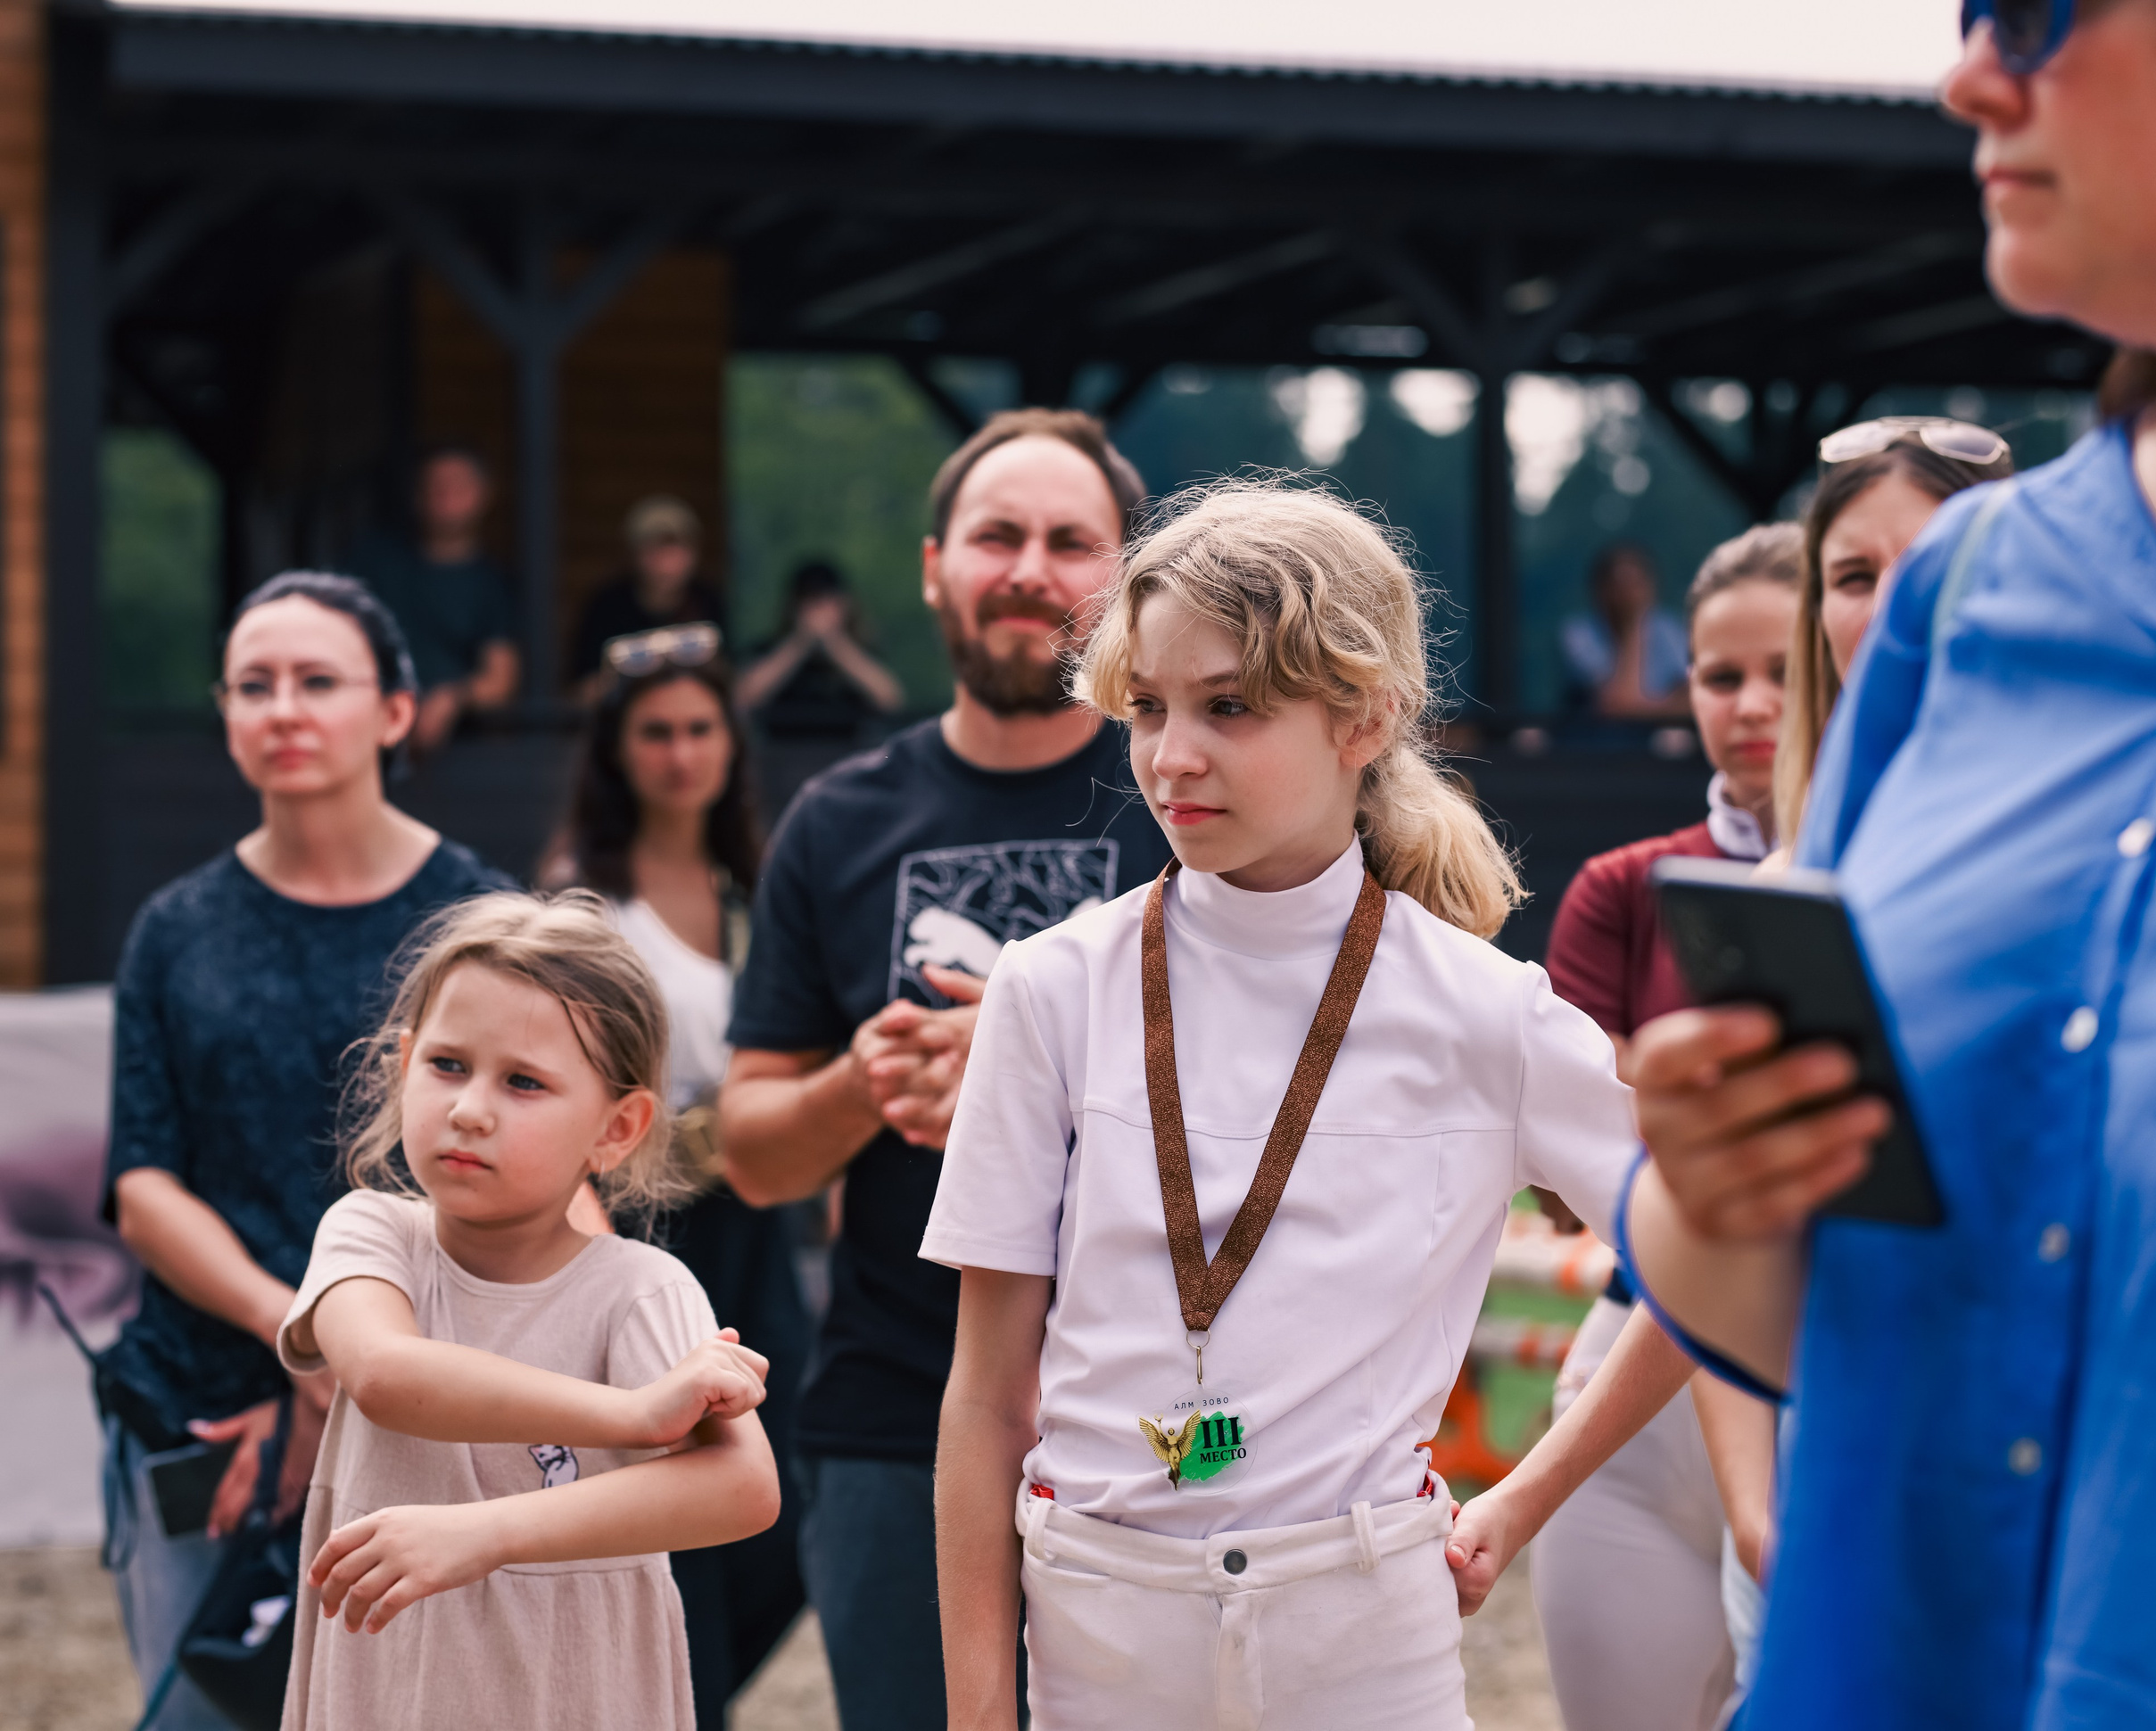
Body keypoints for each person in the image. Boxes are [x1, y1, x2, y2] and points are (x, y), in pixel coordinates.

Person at [1622, 4, 2156, 1726]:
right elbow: (1825, 1322)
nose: (1969, 77)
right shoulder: (1962, 594)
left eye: (2043, 15)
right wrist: (1713, 1182)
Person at [927, 479, 1641, 1729]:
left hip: (1363, 1643)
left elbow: (1713, 1252)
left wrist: (1524, 1496)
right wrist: (981, 1715)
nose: (1171, 756)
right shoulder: (1052, 987)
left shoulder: (1485, 1009)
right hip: (1097, 1634)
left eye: (1229, 706)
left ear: (1365, 717)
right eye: (1147, 707)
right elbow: (987, 1398)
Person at [712, 408, 1169, 1731]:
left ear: (1126, 576)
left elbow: (1293, 1091)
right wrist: (866, 1081)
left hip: (1160, 1406)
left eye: (1069, 540)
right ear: (933, 568)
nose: (1028, 568)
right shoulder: (836, 820)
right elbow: (751, 1153)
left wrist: (1030, 1065)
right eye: (996, 535)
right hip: (893, 1415)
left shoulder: (1185, 788)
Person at [102, 573, 509, 1729]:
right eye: (253, 685)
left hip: (425, 1403)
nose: (283, 708)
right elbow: (143, 1182)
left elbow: (533, 1176)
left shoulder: (482, 922)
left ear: (395, 710)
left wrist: (356, 1384)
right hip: (201, 1407)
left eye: (318, 680)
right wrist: (301, 1341)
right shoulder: (174, 929)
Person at [276, 891, 781, 1731]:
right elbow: (385, 1375)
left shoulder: (642, 1289)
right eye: (446, 1064)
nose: (470, 1108)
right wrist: (632, 1413)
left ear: (617, 1127)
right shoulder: (371, 1232)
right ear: (401, 1066)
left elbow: (745, 1486)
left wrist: (487, 1534)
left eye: (523, 1081)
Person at [1530, 523, 1801, 1731]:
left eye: (1785, 670)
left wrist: (1660, 1082)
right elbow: (1568, 1174)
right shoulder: (1624, 885)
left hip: (1823, 1376)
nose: (1752, 705)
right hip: (1634, 1374)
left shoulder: (1918, 880)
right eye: (1720, 675)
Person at [541, 638, 811, 1731]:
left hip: (756, 1213)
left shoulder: (759, 885)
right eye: (655, 732)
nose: (680, 753)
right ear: (616, 751)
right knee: (670, 1482)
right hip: (636, 1224)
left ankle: (692, 1694)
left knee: (788, 1488)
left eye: (701, 729)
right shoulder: (579, 901)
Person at [1771, 420, 2014, 845]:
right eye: (1855, 578)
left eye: (1930, 571)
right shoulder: (1786, 873)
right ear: (1817, 613)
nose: (1885, 607)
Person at [351, 447, 520, 753]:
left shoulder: (494, 584)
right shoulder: (375, 564)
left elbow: (500, 679)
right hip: (370, 738)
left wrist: (451, 698)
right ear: (417, 495)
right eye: (436, 486)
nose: (446, 495)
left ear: (484, 494)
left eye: (459, 486)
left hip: (459, 750)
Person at [570, 497, 729, 695]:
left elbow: (729, 681)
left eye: (674, 551)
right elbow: (582, 691)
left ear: (693, 554)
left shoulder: (708, 600)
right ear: (634, 554)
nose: (665, 564)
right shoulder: (606, 606)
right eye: (654, 551)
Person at [735, 559, 905, 741]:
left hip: (848, 751)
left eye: (826, 601)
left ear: (844, 604)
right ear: (794, 607)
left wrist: (836, 644)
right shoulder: (771, 650)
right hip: (784, 751)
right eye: (811, 602)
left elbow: (892, 700)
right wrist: (800, 642)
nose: (818, 612)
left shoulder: (862, 651)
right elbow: (742, 699)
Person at [1561, 541, 1692, 717]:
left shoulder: (1669, 628)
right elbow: (1619, 705)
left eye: (1636, 583)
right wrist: (1633, 624)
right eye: (1620, 584)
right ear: (1600, 590)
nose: (1629, 593)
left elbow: (1692, 697)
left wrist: (1642, 709)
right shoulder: (1579, 634)